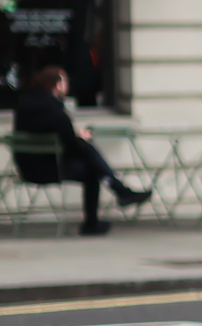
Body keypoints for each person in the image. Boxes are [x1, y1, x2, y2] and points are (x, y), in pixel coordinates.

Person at [12, 64, 150, 236]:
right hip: (51, 169)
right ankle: (104, 208)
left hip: (27, 169)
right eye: (65, 80)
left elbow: (51, 135)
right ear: (58, 84)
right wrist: (80, 138)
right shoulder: (56, 111)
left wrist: (75, 138)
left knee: (87, 154)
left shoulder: (23, 106)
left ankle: (119, 190)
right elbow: (72, 147)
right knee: (90, 164)